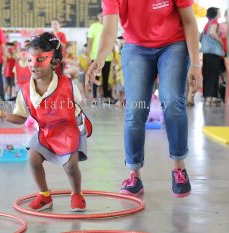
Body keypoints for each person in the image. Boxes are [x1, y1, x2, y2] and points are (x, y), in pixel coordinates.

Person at [86, 0, 202, 198]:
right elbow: (109, 29)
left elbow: (190, 22)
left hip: (173, 45)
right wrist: (99, 59)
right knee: (135, 109)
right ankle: (134, 175)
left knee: (172, 101)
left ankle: (179, 168)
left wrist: (195, 65)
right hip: (136, 48)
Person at [0, 32, 92, 212]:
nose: (33, 65)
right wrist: (5, 116)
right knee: (32, 157)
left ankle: (77, 194)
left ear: (54, 63)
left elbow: (79, 107)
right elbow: (21, 117)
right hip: (46, 132)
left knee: (71, 166)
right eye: (30, 60)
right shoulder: (24, 92)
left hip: (69, 130)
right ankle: (44, 196)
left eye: (40, 60)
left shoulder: (68, 85)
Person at [87, 9, 113, 104]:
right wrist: (88, 56)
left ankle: (105, 97)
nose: (102, 18)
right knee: (95, 78)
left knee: (105, 78)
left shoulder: (109, 26)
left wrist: (113, 55)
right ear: (98, 17)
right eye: (101, 16)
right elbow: (89, 43)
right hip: (96, 57)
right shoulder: (94, 27)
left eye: (104, 16)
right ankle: (94, 97)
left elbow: (112, 42)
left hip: (108, 57)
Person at [202, 7, 224, 107]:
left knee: (207, 75)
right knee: (213, 75)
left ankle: (207, 99)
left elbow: (201, 37)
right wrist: (220, 40)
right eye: (219, 12)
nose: (220, 13)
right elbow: (212, 33)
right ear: (215, 13)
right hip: (214, 53)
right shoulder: (215, 22)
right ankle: (210, 99)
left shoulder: (207, 23)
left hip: (206, 53)